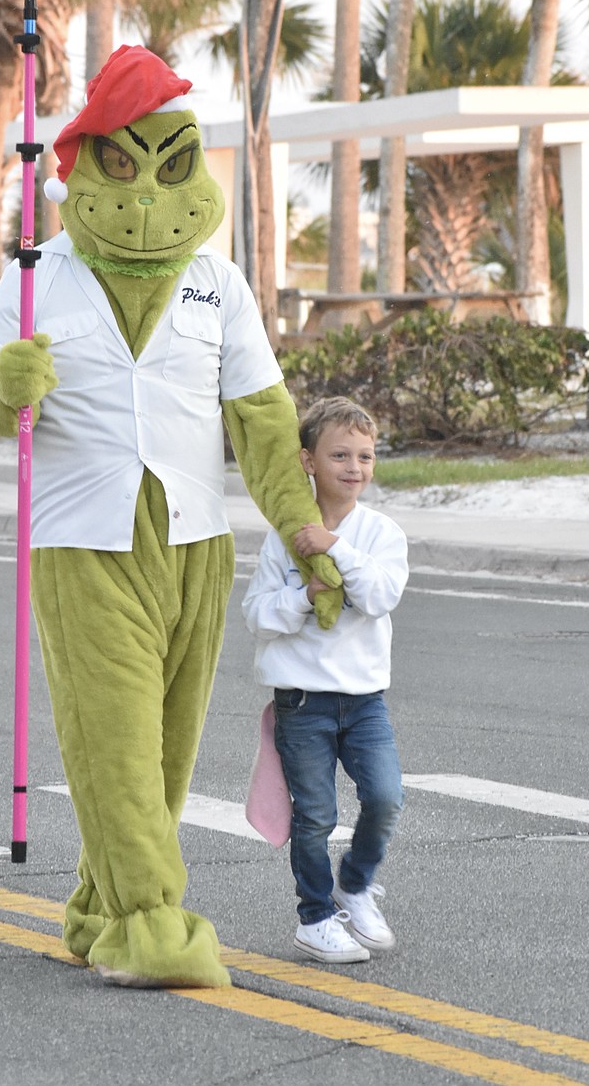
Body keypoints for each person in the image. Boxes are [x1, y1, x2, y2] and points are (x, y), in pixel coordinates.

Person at [0, 46, 344, 989]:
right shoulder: (35, 274)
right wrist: (4, 385)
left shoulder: (221, 282)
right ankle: (148, 922)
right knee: (116, 740)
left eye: (170, 168)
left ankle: (97, 902)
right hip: (83, 539)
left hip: (195, 542)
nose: (145, 198)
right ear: (82, 170)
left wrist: (304, 537)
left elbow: (261, 420)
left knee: (163, 752)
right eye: (122, 170)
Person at [242, 396, 409, 964]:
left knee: (386, 797)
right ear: (308, 461)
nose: (354, 468)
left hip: (365, 703)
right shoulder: (282, 538)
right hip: (303, 702)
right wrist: (303, 598)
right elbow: (256, 614)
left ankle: (355, 884)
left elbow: (382, 595)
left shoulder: (381, 533)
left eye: (365, 456)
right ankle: (314, 916)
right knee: (314, 816)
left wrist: (336, 549)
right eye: (339, 454)